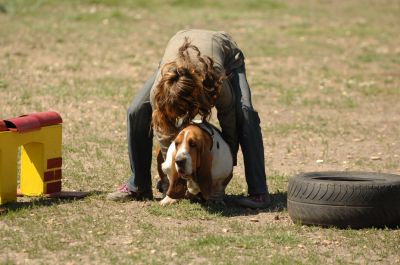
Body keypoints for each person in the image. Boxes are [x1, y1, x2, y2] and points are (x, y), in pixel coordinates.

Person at [107, 29, 270, 208]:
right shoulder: (159, 91)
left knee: (246, 114)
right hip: (175, 55)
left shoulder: (215, 81)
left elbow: (229, 119)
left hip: (224, 55)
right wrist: (173, 176)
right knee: (136, 111)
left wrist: (226, 162)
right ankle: (138, 185)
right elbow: (164, 136)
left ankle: (258, 192)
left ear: (195, 98)